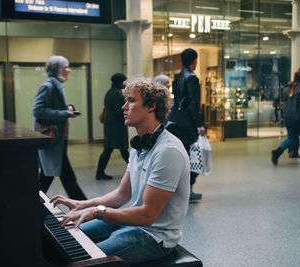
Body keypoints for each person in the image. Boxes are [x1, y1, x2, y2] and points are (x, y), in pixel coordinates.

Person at [50, 77, 190, 265]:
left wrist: (97, 211)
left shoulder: (168, 151)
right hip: (136, 224)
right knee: (67, 238)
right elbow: (121, 195)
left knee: (85, 259)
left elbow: (147, 216)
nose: (123, 107)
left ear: (151, 106)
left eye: (131, 101)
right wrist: (82, 204)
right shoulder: (141, 145)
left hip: (155, 237)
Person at [33, 55, 87, 200]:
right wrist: (64, 113)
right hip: (54, 140)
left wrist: (67, 108)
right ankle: (83, 205)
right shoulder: (48, 87)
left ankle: (31, 201)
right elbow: (38, 110)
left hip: (57, 140)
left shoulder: (56, 86)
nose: (68, 70)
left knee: (49, 175)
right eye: (65, 67)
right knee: (65, 176)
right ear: (58, 70)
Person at [166, 48, 206, 201]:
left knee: (182, 157)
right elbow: (193, 104)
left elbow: (179, 101)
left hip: (176, 120)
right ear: (194, 61)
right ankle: (187, 190)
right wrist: (199, 124)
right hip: (188, 123)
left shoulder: (178, 77)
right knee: (194, 157)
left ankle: (179, 189)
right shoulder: (192, 78)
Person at [271, 71, 300, 165]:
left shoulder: (288, 88)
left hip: (288, 117)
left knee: (291, 138)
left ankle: (277, 152)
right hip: (298, 119)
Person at [95, 73, 129, 180]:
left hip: (109, 124)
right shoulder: (118, 94)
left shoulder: (109, 92)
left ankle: (99, 172)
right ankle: (136, 169)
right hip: (117, 126)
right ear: (121, 82)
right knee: (123, 149)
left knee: (108, 148)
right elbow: (119, 110)